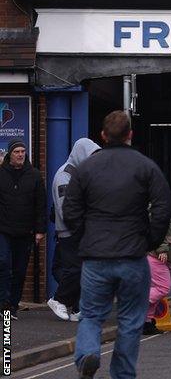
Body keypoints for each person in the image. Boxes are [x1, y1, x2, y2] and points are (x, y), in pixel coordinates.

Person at [63, 111, 171, 379]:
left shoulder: (85, 169)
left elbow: (70, 210)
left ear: (102, 135)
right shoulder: (145, 166)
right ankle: (122, 374)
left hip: (95, 257)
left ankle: (88, 352)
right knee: (131, 321)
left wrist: (84, 237)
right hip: (133, 256)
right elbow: (162, 208)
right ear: (130, 134)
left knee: (91, 315)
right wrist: (150, 241)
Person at [48, 138, 100, 322]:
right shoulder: (65, 175)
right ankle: (58, 299)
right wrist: (80, 227)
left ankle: (78, 307)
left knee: (81, 269)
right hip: (70, 232)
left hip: (78, 230)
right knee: (76, 268)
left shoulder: (78, 174)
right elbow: (65, 208)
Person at [0, 139, 45, 319]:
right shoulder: (1, 174)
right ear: (10, 154)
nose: (20, 154)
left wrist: (40, 230)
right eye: (16, 151)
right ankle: (3, 303)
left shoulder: (34, 175)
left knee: (19, 270)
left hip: (25, 230)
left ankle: (12, 306)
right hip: (3, 228)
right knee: (3, 263)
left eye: (22, 151)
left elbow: (40, 204)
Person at [143, 220, 171, 336]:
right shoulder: (158, 207)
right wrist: (162, 248)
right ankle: (137, 302)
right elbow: (157, 226)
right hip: (157, 255)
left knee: (156, 291)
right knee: (162, 288)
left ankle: (146, 323)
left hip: (159, 256)